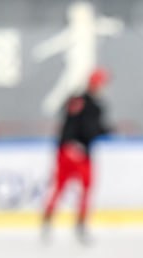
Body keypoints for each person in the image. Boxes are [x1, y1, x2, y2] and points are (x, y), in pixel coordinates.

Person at [42, 67, 113, 244]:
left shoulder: (77, 100)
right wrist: (106, 131)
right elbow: (90, 129)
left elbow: (69, 122)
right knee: (83, 188)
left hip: (67, 149)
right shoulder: (93, 106)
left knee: (61, 187)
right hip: (76, 152)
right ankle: (78, 225)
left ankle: (49, 222)